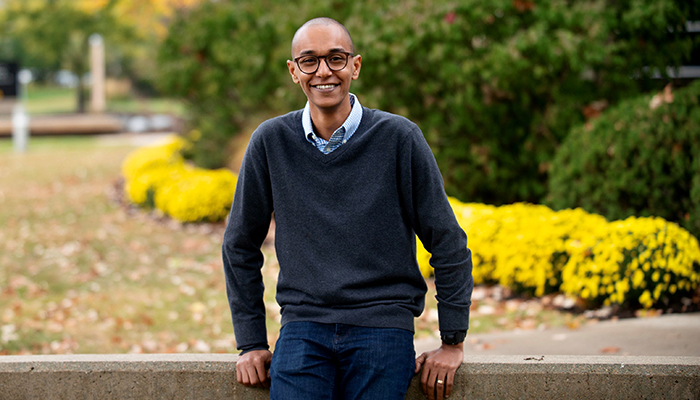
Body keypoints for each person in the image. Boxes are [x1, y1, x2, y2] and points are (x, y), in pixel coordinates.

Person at [222, 17, 473, 400]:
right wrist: (251, 341)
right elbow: (239, 245)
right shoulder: (270, 142)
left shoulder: (399, 138)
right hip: (303, 327)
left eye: (336, 58)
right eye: (309, 61)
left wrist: (452, 341)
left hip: (383, 328)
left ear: (355, 66)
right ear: (294, 72)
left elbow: (448, 242)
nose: (324, 72)